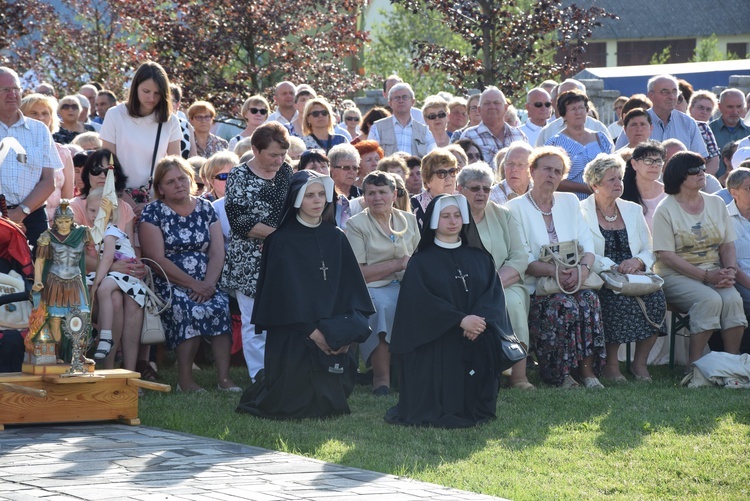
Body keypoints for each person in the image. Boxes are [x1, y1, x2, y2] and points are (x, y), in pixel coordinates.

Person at [236, 170, 374, 419]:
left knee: (330, 407)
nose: (318, 200)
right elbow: (279, 297)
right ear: (297, 199)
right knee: (291, 405)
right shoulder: (280, 241)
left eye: (322, 194)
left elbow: (351, 291)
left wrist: (342, 334)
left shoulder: (337, 238)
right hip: (294, 331)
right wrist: (313, 333)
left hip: (332, 330)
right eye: (310, 195)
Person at [385, 194, 514, 428]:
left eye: (457, 215)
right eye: (445, 216)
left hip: (476, 334)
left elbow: (492, 294)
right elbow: (419, 303)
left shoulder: (480, 257)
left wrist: (478, 322)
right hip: (436, 339)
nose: (452, 221)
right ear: (434, 220)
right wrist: (460, 320)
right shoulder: (421, 262)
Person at [507, 146, 605, 388]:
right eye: (547, 169)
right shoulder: (515, 208)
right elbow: (523, 256)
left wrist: (581, 270)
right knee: (564, 305)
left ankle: (587, 373)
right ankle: (559, 375)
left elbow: (587, 244)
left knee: (589, 299)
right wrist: (555, 272)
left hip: (575, 277)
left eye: (558, 171)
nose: (552, 175)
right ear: (532, 171)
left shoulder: (570, 202)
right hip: (538, 286)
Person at [139, 156, 238, 392]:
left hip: (207, 281)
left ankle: (224, 379)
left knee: (220, 305)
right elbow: (156, 259)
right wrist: (193, 285)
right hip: (169, 281)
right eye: (170, 181)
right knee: (188, 309)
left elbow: (216, 252)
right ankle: (185, 380)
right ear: (160, 188)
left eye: (182, 178)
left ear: (191, 179)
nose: (178, 184)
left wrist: (209, 284)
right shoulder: (153, 212)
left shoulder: (205, 208)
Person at [652, 151, 746, 366]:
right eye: (695, 170)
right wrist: (706, 276)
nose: (702, 173)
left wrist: (730, 271)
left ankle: (731, 364)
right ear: (679, 176)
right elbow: (666, 256)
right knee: (709, 300)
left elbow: (727, 244)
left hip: (714, 271)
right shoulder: (665, 209)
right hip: (675, 274)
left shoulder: (716, 203)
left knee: (733, 300)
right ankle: (696, 366)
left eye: (703, 168)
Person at [581, 154, 666, 381]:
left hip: (635, 273)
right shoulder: (581, 212)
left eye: (620, 178)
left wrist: (637, 262)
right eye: (611, 180)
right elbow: (584, 250)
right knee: (615, 301)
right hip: (601, 274)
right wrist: (615, 267)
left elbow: (650, 249)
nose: (618, 183)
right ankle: (611, 366)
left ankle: (639, 365)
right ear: (595, 184)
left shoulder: (632, 209)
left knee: (656, 298)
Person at [220, 122, 293, 382]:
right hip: (249, 260)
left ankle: (282, 374)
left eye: (283, 154)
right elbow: (239, 221)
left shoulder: (286, 171)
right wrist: (278, 237)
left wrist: (282, 240)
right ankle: (259, 377)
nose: (279, 159)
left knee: (283, 319)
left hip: (282, 257)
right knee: (254, 322)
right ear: (255, 150)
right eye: (273, 154)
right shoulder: (239, 175)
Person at [457, 164, 533, 389]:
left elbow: (520, 257)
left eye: (486, 189)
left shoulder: (503, 215)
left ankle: (518, 375)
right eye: (475, 188)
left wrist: (493, 284)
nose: (481, 194)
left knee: (512, 303)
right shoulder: (449, 214)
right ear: (460, 189)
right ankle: (468, 372)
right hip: (461, 284)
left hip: (503, 283)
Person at [346, 171, 420, 395]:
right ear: (364, 197)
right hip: (372, 286)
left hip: (408, 285)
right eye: (371, 193)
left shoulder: (409, 220)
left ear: (394, 194)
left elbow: (418, 257)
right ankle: (381, 378)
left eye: (382, 192)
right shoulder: (356, 224)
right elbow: (358, 274)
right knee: (381, 306)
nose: (377, 197)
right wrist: (398, 264)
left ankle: (415, 374)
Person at [100, 61, 182, 218]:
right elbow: (107, 165)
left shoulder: (171, 121)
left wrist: (152, 203)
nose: (151, 98)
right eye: (146, 91)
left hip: (157, 200)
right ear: (135, 88)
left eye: (157, 93)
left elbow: (175, 167)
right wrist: (127, 201)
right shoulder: (115, 115)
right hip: (117, 196)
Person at [0, 66, 61, 250]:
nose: (12, 94)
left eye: (16, 89)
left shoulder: (39, 130)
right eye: (5, 90)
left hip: (33, 217)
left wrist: (20, 212)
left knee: (38, 275)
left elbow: (49, 181)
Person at [87, 188, 146, 363]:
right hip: (116, 273)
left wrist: (96, 283)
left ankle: (105, 338)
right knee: (85, 287)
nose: (95, 215)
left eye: (101, 212)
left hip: (127, 272)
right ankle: (93, 335)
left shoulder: (110, 231)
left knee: (103, 289)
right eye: (91, 210)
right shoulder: (96, 232)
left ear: (111, 215)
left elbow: (106, 260)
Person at [32, 201, 93, 363]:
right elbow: (40, 260)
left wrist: (106, 210)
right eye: (60, 221)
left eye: (66, 221)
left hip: (75, 280)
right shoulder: (47, 236)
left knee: (80, 317)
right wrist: (37, 281)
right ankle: (56, 354)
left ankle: (78, 355)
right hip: (55, 281)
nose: (63, 225)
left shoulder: (82, 233)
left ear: (72, 220)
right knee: (55, 319)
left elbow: (100, 235)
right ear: (54, 221)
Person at [544, 89, 614, 200]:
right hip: (570, 203)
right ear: (564, 114)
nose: (578, 112)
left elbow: (612, 170)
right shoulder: (554, 143)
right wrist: (586, 188)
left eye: (581, 108)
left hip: (601, 203)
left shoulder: (601, 138)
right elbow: (549, 177)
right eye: (573, 109)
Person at [19, 93, 75, 222]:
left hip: (56, 227)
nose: (40, 117)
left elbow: (67, 199)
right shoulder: (14, 150)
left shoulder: (63, 152)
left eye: (45, 113)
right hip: (24, 222)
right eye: (34, 113)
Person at [459, 86, 527, 163]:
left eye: (496, 103)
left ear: (505, 108)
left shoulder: (519, 135)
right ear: (479, 109)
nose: (492, 107)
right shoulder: (469, 136)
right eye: (487, 103)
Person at [369, 83, 436, 157]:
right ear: (390, 103)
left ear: (412, 102)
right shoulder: (377, 128)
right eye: (397, 98)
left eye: (405, 97)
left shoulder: (424, 131)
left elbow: (433, 159)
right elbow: (370, 157)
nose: (401, 100)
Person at [621, 140, 667, 231]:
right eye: (648, 161)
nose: (654, 166)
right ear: (634, 164)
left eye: (658, 161)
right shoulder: (622, 194)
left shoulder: (670, 194)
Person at [411, 148, 459, 229]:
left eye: (452, 172)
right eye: (441, 173)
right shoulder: (416, 204)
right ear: (428, 180)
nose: (449, 178)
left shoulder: (462, 199)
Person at [710, 89, 750, 179]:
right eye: (730, 107)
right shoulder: (708, 131)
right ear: (719, 106)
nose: (735, 112)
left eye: (739, 106)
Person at [687, 90, 721, 176]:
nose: (704, 112)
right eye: (701, 107)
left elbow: (714, 159)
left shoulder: (705, 128)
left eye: (708, 109)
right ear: (691, 108)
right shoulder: (680, 124)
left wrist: (702, 178)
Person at [490, 141, 532, 205]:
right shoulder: (492, 196)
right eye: (510, 164)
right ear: (504, 166)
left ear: (532, 168)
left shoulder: (540, 192)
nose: (514, 169)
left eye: (520, 164)